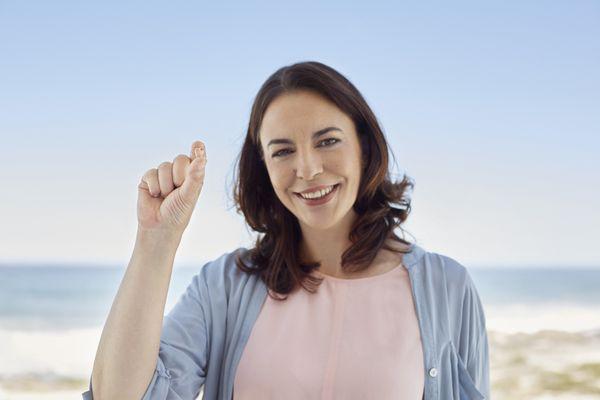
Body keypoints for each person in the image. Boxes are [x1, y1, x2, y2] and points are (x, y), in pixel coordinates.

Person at [83, 61, 490, 400]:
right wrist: (156, 240)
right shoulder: (225, 288)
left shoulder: (447, 289)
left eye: (327, 141)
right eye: (282, 151)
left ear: (363, 147)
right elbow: (119, 396)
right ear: (263, 166)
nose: (308, 169)